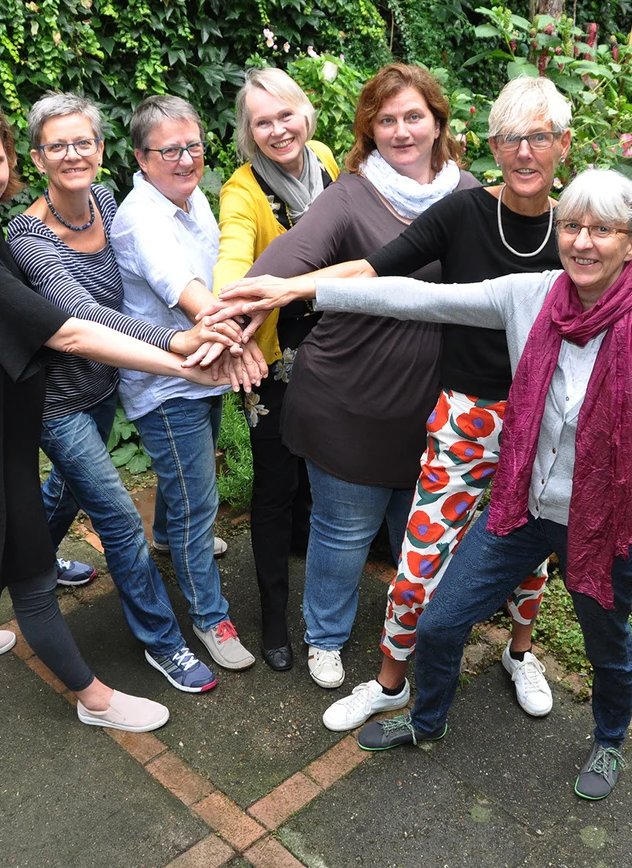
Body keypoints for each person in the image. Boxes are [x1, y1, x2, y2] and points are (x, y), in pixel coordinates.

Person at [215, 168, 632, 799]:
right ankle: (427, 721)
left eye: (602, 230)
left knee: (609, 646)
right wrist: (297, 291)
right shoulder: (531, 296)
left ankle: (609, 743)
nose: (581, 241)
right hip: (522, 509)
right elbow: (416, 298)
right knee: (440, 622)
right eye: (572, 225)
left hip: (604, 524)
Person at [0, 88, 243, 733]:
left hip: (32, 410)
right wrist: (184, 357)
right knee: (75, 545)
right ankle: (114, 681)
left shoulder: (13, 226)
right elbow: (69, 326)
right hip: (1, 426)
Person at [306, 77, 574, 730]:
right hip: (465, 417)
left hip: (542, 424)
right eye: (510, 137)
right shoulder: (462, 214)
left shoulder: (581, 230)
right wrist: (282, 288)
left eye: (540, 136)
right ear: (491, 146)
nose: (525, 151)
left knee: (531, 559)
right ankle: (392, 683)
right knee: (420, 559)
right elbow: (376, 271)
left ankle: (519, 653)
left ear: (564, 146)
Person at [240, 63, 478, 689]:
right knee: (342, 532)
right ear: (369, 129)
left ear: (437, 122)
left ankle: (411, 634)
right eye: (386, 120)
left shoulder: (471, 197)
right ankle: (325, 636)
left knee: (419, 537)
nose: (401, 131)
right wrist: (234, 311)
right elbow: (276, 267)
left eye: (413, 117)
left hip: (435, 411)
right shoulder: (348, 195)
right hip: (349, 403)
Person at [7, 91, 243, 693]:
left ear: (101, 148)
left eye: (82, 141)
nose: (72, 154)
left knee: (64, 492)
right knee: (115, 515)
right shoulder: (26, 236)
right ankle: (164, 642)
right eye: (57, 145)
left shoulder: (108, 204)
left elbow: (133, 284)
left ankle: (27, 555)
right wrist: (178, 342)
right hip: (57, 399)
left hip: (108, 382)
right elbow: (85, 318)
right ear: (37, 158)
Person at [110, 95, 264, 672]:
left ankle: (169, 542)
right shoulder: (141, 218)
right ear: (141, 158)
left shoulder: (193, 195)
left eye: (193, 146)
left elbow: (220, 270)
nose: (185, 159)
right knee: (201, 498)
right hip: (166, 382)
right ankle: (208, 617)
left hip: (203, 369)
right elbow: (189, 294)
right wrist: (242, 341)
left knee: (185, 478)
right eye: (169, 150)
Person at [213, 67, 340, 671]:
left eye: (285, 114)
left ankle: (307, 557)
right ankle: (272, 617)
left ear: (305, 114)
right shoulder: (242, 191)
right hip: (273, 357)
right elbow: (233, 255)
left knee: (319, 472)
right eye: (262, 121)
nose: (277, 129)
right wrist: (228, 311)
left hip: (337, 350)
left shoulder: (325, 160)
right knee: (273, 484)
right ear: (249, 131)